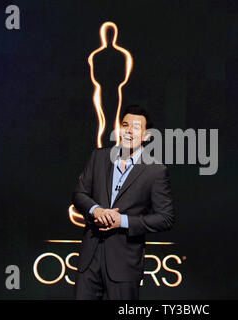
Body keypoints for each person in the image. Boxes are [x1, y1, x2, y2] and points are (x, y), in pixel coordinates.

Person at [72, 105, 175, 300]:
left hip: (124, 263)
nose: (128, 130)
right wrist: (96, 210)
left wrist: (123, 221)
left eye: (136, 127)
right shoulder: (99, 157)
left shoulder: (155, 171)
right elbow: (79, 194)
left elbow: (166, 218)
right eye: (125, 125)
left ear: (146, 135)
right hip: (89, 258)